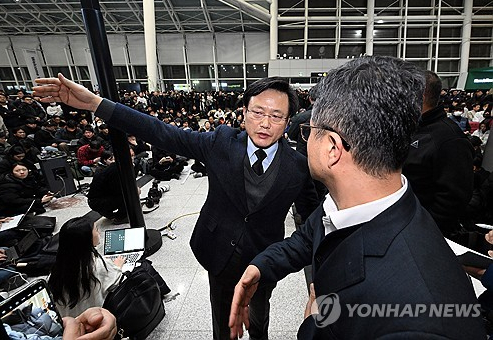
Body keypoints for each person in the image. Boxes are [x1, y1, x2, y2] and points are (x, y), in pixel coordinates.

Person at [34, 74, 319, 340]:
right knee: (222, 320)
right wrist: (96, 104)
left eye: (276, 116)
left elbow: (310, 220)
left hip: (265, 257)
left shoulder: (298, 166)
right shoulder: (220, 142)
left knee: (259, 316)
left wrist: (315, 273)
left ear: (288, 121)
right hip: (219, 252)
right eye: (258, 112)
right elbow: (161, 132)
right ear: (244, 112)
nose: (265, 123)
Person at [229, 56, 485, 339]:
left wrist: (313, 324)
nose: (306, 140)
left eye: (310, 131)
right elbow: (308, 239)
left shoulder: (421, 323)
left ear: (332, 148)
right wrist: (260, 267)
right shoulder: (355, 200)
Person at [403, 70, 474, 240]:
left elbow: (453, 198)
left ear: (419, 96)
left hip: (423, 234)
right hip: (402, 223)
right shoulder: (409, 127)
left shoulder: (449, 138)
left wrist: (424, 230)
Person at [48, 217, 124, 318]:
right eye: (96, 230)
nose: (99, 232)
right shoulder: (96, 266)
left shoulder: (56, 270)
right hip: (95, 320)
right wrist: (117, 266)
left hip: (69, 323)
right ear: (87, 238)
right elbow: (115, 281)